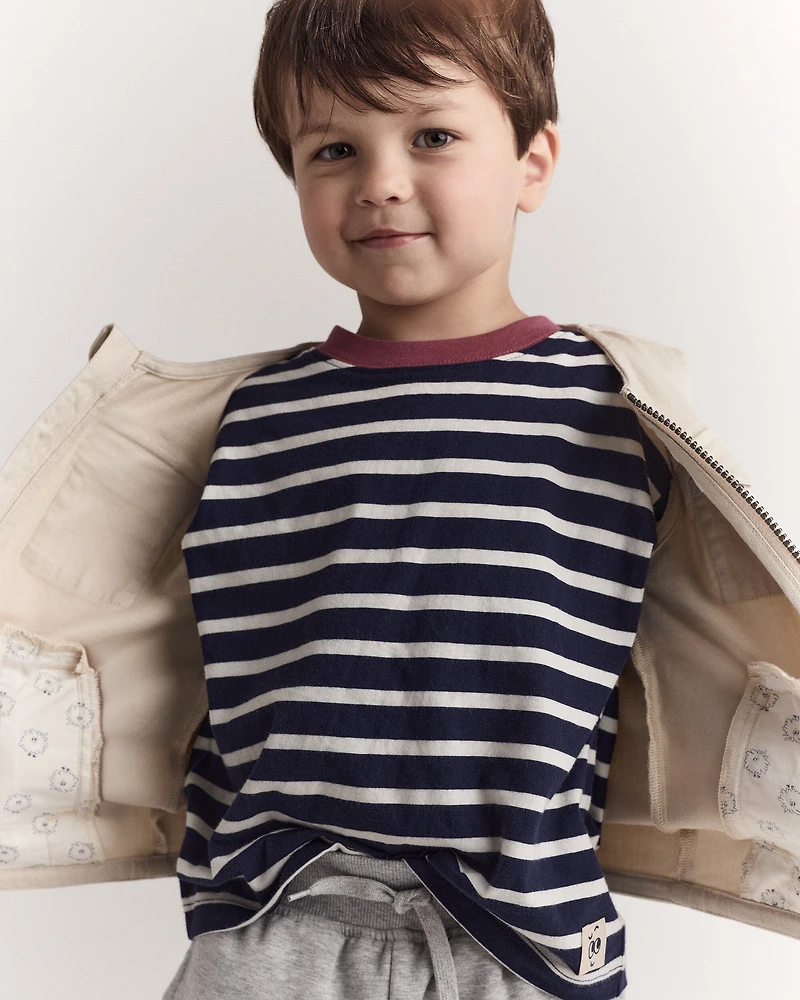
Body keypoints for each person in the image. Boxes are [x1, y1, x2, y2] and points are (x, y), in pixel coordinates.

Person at [162, 1, 670, 997]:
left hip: (518, 939)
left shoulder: (618, 409)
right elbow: (203, 670)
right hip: (274, 923)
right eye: (334, 149)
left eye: (432, 135)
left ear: (531, 162)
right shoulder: (254, 416)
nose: (381, 183)